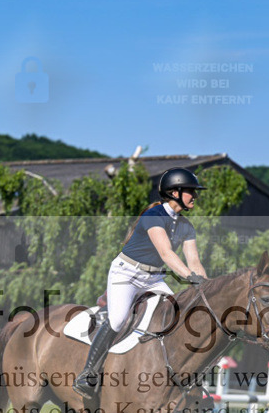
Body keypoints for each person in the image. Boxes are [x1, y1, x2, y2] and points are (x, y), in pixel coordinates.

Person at [73, 167, 208, 400]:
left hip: (153, 278)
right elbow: (166, 253)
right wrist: (189, 276)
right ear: (174, 192)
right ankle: (88, 373)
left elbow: (194, 261)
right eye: (191, 191)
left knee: (175, 315)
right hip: (126, 274)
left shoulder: (186, 226)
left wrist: (206, 286)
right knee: (118, 319)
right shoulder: (153, 216)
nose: (195, 196)